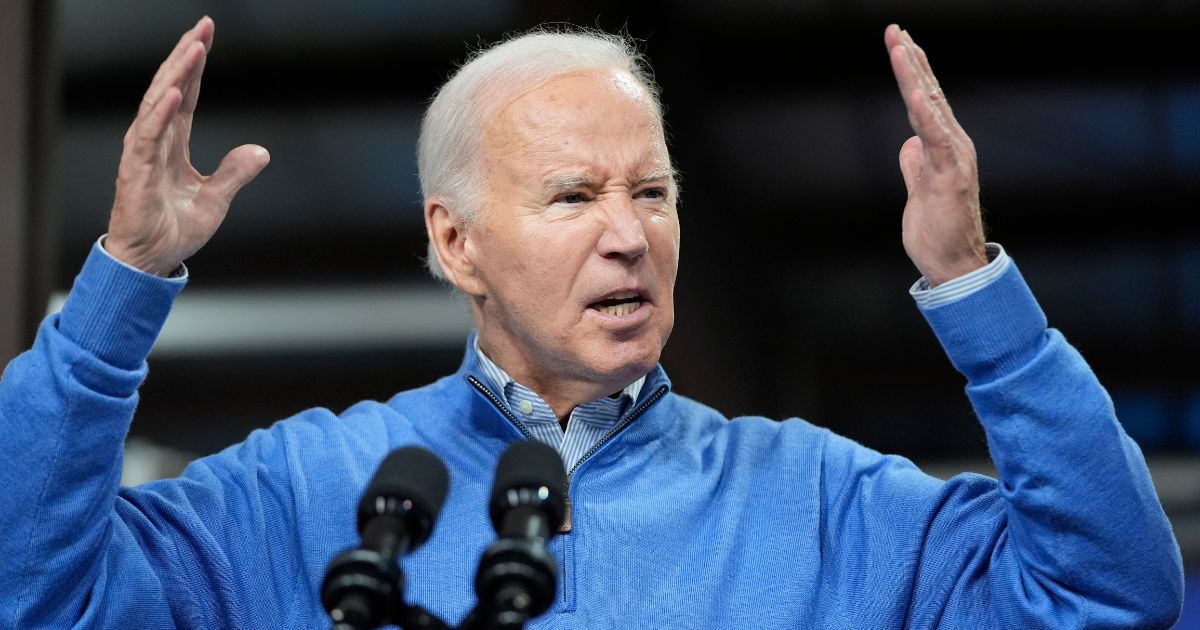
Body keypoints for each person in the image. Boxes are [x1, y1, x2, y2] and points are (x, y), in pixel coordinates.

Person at [0, 15, 1184, 629]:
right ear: (456, 242)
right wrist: (122, 283)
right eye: (573, 197)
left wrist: (975, 289)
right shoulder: (302, 492)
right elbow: (33, 595)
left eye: (652, 193)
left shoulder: (821, 506)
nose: (630, 234)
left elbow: (1112, 592)